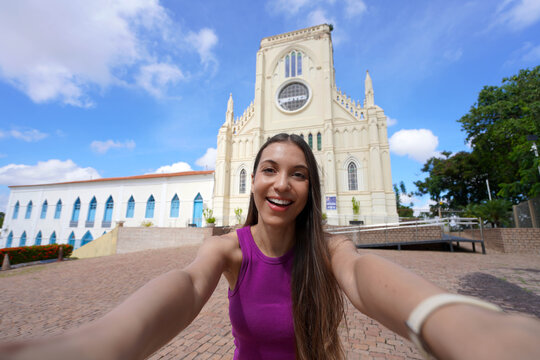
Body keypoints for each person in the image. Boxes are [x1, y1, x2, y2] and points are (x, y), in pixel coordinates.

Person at [1, 133, 540, 360]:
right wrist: (99, 343)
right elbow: (187, 285)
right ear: (253, 181)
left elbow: (362, 277)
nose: (282, 183)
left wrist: (444, 316)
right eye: (270, 169)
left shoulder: (329, 250)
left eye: (299, 174)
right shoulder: (228, 249)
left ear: (311, 189)